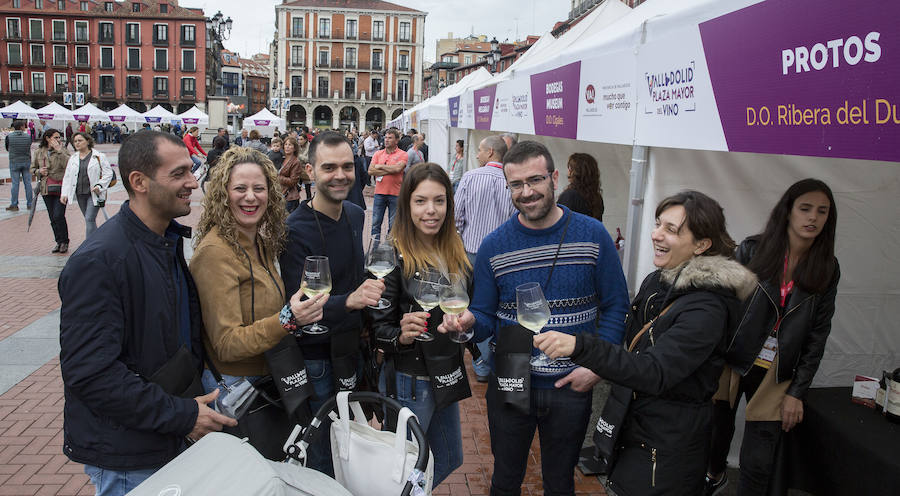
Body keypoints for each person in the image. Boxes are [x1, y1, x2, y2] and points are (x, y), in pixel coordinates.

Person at [533, 190, 754, 496]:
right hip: (636, 429)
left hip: (667, 447)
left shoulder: (707, 308)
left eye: (671, 230)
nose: (656, 235)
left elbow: (653, 370)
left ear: (702, 245)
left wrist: (580, 347)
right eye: (658, 224)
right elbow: (635, 346)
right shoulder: (661, 279)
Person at [440, 141, 630, 496]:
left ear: (554, 177)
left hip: (571, 385)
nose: (527, 192)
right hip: (511, 382)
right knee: (505, 479)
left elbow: (617, 305)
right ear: (507, 185)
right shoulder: (494, 246)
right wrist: (467, 323)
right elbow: (483, 313)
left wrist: (598, 365)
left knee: (560, 483)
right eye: (516, 184)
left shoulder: (593, 236)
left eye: (535, 180)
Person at [58, 131, 237, 496]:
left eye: (191, 170)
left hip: (161, 435)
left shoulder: (163, 240)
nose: (192, 182)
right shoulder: (100, 261)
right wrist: (182, 416)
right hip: (130, 456)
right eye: (179, 174)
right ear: (139, 182)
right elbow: (91, 375)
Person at [704, 179, 840, 496]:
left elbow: (818, 334)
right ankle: (714, 476)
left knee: (758, 461)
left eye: (822, 211)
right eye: (805, 208)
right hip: (733, 357)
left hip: (779, 370)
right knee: (713, 438)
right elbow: (722, 306)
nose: (813, 218)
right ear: (788, 211)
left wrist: (797, 392)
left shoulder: (827, 268)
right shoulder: (753, 249)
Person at [279, 131, 386, 475]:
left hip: (352, 349)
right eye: (329, 167)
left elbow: (355, 275)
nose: (340, 175)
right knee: (323, 453)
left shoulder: (355, 214)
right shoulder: (294, 230)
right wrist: (351, 301)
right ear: (310, 171)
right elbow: (301, 308)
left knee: (349, 443)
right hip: (318, 359)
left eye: (346, 166)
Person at [190, 146, 326, 397]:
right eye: (240, 189)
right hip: (235, 387)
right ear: (223, 194)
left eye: (259, 189)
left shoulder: (257, 241)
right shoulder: (215, 253)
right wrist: (287, 319)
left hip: (265, 376)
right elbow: (227, 345)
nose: (251, 197)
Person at [371, 163, 472, 486]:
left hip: (444, 369)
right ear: (406, 204)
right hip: (411, 379)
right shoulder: (393, 253)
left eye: (439, 201)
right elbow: (378, 329)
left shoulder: (452, 248)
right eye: (421, 201)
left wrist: (467, 324)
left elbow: (467, 310)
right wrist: (401, 334)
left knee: (449, 458)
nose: (431, 210)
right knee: (403, 471)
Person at [453, 135, 518, 382]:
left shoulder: (470, 177)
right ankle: (484, 363)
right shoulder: (511, 182)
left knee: (462, 306)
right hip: (501, 257)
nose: (478, 154)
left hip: (469, 253)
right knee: (490, 308)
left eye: (480, 150)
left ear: (491, 152)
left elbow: (456, 218)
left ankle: (468, 360)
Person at [61, 132, 113, 238]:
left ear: (88, 141)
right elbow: (67, 177)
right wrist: (64, 193)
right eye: (75, 141)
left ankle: (88, 246)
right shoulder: (73, 158)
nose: (77, 143)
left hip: (93, 193)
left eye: (80, 141)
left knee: (89, 218)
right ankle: (97, 241)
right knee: (89, 219)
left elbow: (108, 173)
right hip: (80, 193)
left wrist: (100, 186)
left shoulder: (98, 156)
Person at [31, 129, 71, 253]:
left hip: (61, 187)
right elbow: (32, 168)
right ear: (48, 138)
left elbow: (70, 164)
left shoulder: (63, 150)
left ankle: (65, 241)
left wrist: (59, 150)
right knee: (52, 217)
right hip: (46, 187)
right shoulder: (39, 152)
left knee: (58, 215)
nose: (59, 140)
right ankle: (58, 242)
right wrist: (39, 171)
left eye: (59, 137)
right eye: (56, 137)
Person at [368, 128, 407, 238]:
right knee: (375, 223)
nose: (386, 140)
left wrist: (380, 167)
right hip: (379, 193)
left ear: (396, 140)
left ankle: (390, 250)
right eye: (385, 137)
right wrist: (391, 169)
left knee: (393, 225)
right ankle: (374, 249)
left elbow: (398, 169)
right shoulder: (378, 154)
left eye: (390, 138)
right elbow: (370, 171)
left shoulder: (403, 154)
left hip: (396, 193)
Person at [558, 153, 604, 222]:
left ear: (576, 173)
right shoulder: (597, 198)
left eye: (570, 169)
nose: (568, 173)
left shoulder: (569, 195)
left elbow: (559, 224)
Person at [5, 119, 33, 212]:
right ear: (21, 127)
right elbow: (29, 145)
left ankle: (14, 204)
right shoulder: (28, 136)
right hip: (26, 161)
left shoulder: (9, 136)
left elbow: (7, 148)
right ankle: (30, 204)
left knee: (15, 184)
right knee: (28, 183)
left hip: (14, 161)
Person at [278, 136, 306, 213]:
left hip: (290, 197)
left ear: (294, 148)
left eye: (290, 145)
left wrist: (278, 177)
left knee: (287, 222)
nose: (287, 147)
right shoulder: (282, 158)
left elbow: (293, 181)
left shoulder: (295, 162)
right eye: (286, 144)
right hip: (280, 194)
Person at [296, 133, 313, 199]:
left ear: (305, 140)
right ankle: (296, 204)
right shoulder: (297, 146)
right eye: (298, 139)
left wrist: (299, 156)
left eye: (301, 139)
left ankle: (309, 203)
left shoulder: (310, 147)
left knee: (308, 189)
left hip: (306, 170)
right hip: (298, 170)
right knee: (297, 189)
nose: (299, 141)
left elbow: (309, 159)